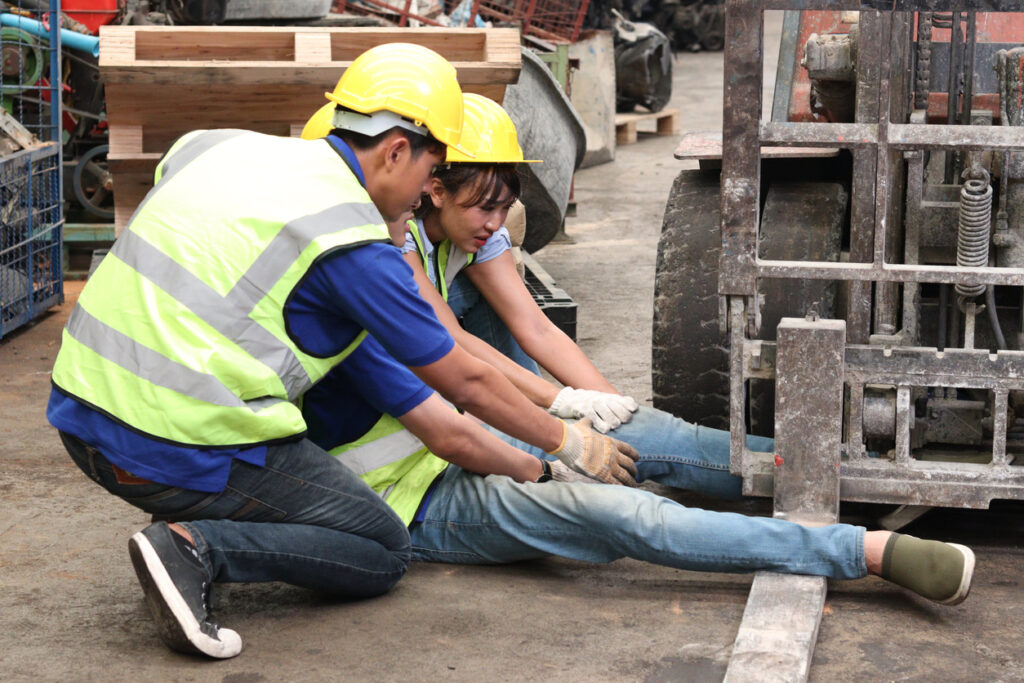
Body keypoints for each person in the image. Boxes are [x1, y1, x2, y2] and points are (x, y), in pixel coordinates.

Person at [46, 43, 637, 660]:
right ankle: (195, 546)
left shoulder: (224, 145)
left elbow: (175, 180)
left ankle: (191, 518)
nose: (427, 192)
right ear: (397, 150)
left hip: (79, 407)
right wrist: (566, 444)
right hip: (165, 443)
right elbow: (465, 384)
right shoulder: (351, 243)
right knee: (382, 547)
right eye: (431, 173)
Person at [298, 94, 976, 611]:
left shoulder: (425, 230)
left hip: (467, 431)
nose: (494, 222)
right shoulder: (374, 261)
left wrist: (602, 413)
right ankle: (863, 550)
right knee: (633, 516)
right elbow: (460, 373)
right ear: (421, 178)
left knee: (661, 440)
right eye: (479, 203)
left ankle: (860, 469)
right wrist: (550, 454)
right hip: (419, 490)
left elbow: (527, 332)